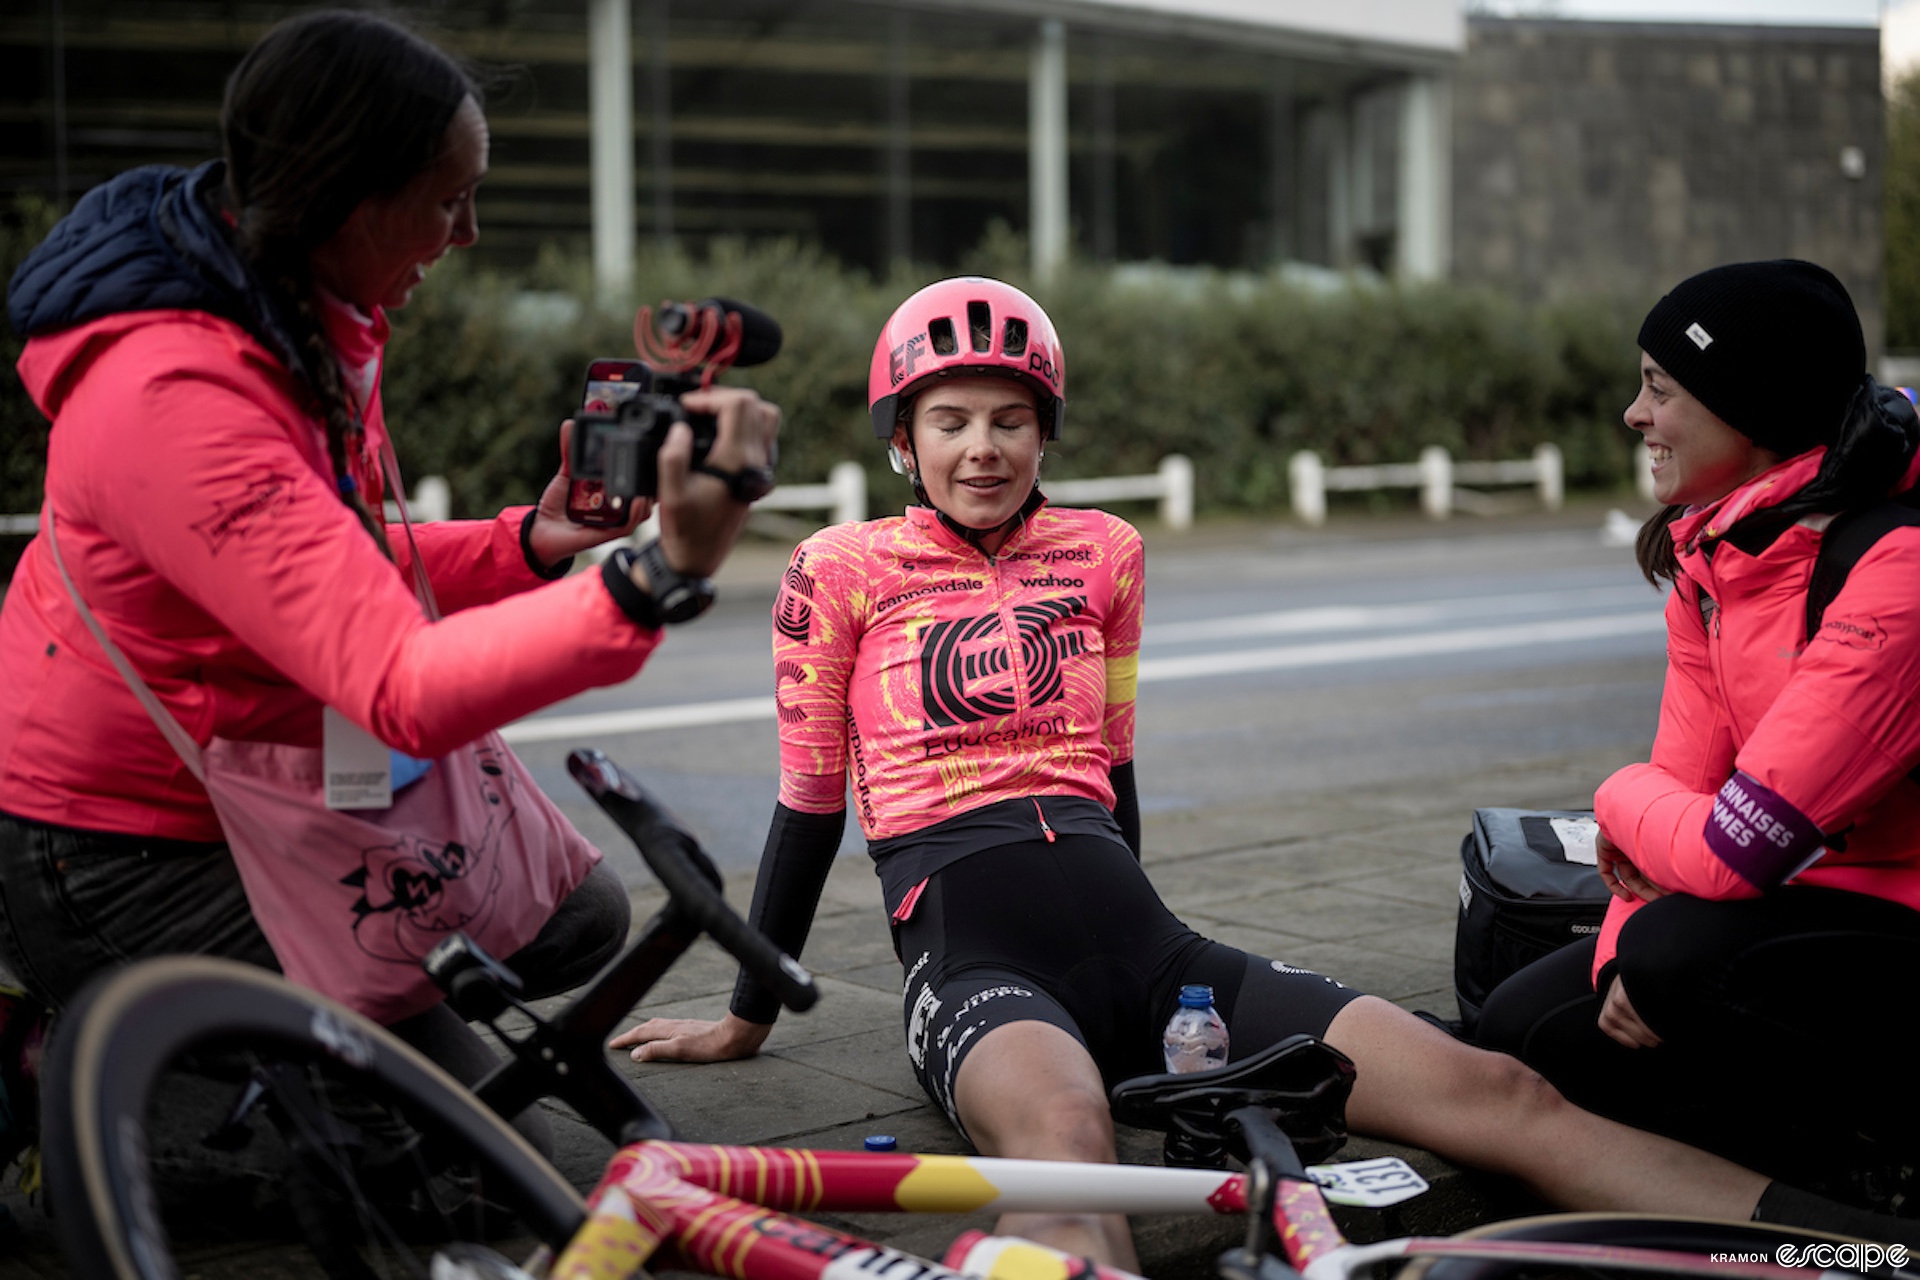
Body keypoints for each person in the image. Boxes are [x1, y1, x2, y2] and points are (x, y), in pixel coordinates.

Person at [612, 276, 1916, 1264]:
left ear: (1047, 431)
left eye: (1011, 420)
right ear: (904, 437)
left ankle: (1848, 1252)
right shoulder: (835, 571)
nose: (983, 448)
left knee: (1498, 1085)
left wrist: (1151, 935)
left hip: (1149, 942)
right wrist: (752, 1010)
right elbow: (806, 801)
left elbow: (1114, 771)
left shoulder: (1107, 553)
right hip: (974, 958)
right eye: (948, 420)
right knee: (1070, 1155)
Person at [0, 9, 778, 1138]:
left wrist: (531, 542)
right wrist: (652, 578)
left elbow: (336, 575)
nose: (467, 232)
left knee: (573, 917)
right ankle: (50, 1072)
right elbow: (397, 681)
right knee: (448, 1157)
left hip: (275, 775)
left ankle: (244, 1048)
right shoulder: (177, 399)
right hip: (123, 839)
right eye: (450, 195)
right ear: (346, 195)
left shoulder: (296, 312)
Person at [1478, 260, 1920, 1212]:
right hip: (1795, 909)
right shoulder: (1713, 556)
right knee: (1516, 1027)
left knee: (1678, 962)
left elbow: (1724, 852)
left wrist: (1614, 800)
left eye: (1659, 387)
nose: (1635, 414)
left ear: (1748, 407)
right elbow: (1662, 843)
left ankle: (1875, 1172)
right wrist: (1619, 962)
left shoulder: (1896, 567)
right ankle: (1790, 1178)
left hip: (1897, 921)